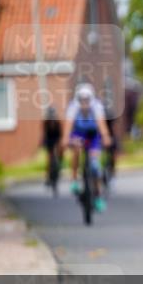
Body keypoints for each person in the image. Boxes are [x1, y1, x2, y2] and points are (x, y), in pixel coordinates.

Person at [62, 83, 112, 212]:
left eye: (87, 100)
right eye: (82, 100)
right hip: (78, 133)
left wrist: (106, 136)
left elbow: (101, 124)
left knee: (95, 166)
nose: (84, 103)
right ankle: (74, 179)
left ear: (91, 99)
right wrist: (65, 138)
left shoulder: (97, 106)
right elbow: (68, 125)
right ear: (78, 100)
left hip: (93, 135)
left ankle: (98, 197)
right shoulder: (73, 107)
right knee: (76, 149)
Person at [41, 106, 62, 189]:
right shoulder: (46, 122)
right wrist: (42, 142)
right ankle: (47, 176)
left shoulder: (58, 122)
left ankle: (59, 163)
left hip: (56, 138)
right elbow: (43, 133)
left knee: (60, 149)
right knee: (49, 158)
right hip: (49, 139)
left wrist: (60, 143)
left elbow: (61, 134)